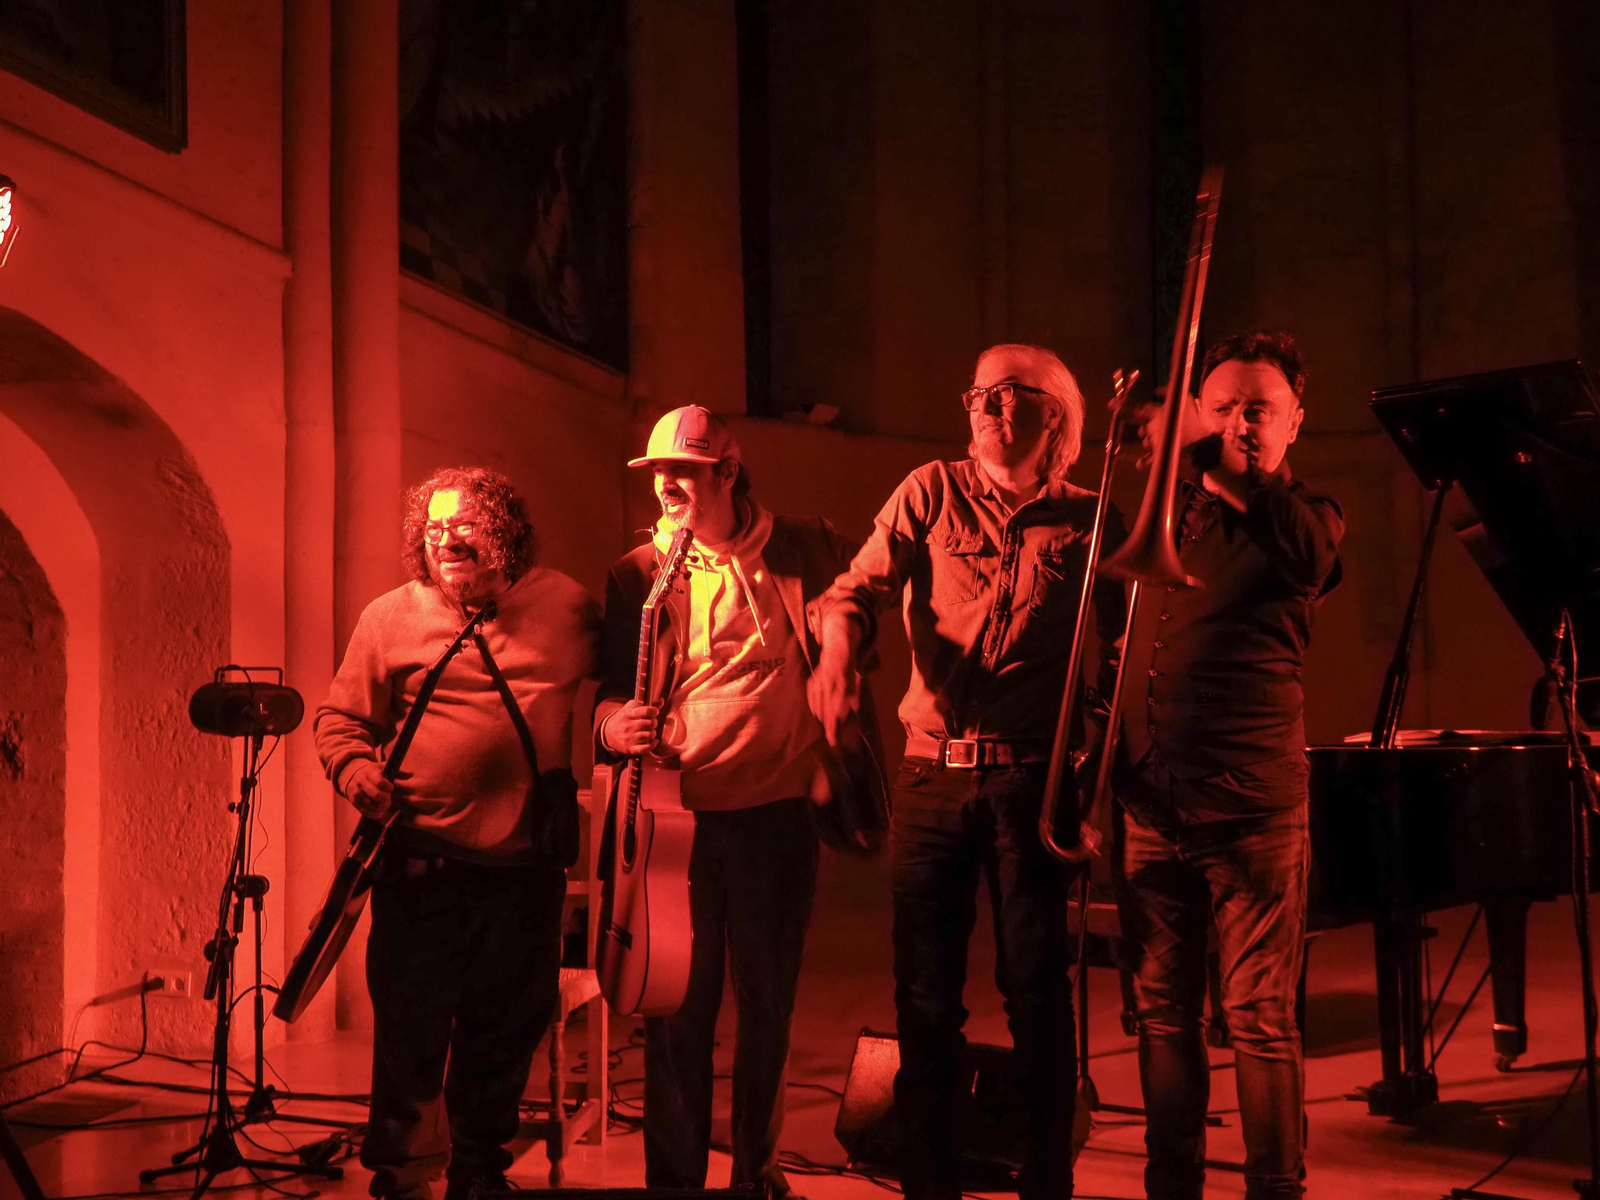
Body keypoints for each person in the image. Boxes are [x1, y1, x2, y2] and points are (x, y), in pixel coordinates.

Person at [810, 344, 1127, 1200]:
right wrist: (836, 649)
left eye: (1009, 393)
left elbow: (1130, 649)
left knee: (1034, 986)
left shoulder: (1091, 519)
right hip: (931, 777)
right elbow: (852, 591)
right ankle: (926, 1179)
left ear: (1053, 415)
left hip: (1030, 781)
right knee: (924, 992)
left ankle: (1047, 1182)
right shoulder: (928, 490)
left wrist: (1096, 757)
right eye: (978, 392)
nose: (986, 406)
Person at [595, 405, 882, 1199]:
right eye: (657, 473)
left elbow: (866, 633)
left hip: (775, 815)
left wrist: (841, 656)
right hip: (674, 821)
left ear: (728, 471)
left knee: (768, 1007)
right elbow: (609, 691)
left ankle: (757, 1173)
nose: (665, 487)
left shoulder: (804, 547)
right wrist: (613, 724)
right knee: (677, 1012)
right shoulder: (636, 573)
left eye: (682, 471)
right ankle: (675, 1184)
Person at [314, 467, 599, 1200]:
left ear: (506, 532)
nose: (446, 540)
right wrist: (354, 771)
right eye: (434, 528)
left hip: (522, 869)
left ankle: (479, 1171)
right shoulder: (390, 618)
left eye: (464, 526)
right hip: (421, 867)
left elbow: (637, 673)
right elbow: (340, 720)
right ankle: (402, 1179)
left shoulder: (566, 607)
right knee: (410, 1033)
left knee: (502, 1032)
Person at [1110, 330, 1342, 1200]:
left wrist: (1228, 468)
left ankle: (1275, 1189)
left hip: (1251, 810)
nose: (1240, 423)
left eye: (1260, 410)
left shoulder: (1310, 516)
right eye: (1224, 408)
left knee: (1257, 1020)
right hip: (1149, 805)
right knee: (1162, 1014)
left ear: (1293, 425)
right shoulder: (1167, 510)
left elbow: (1311, 560)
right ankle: (1173, 1187)